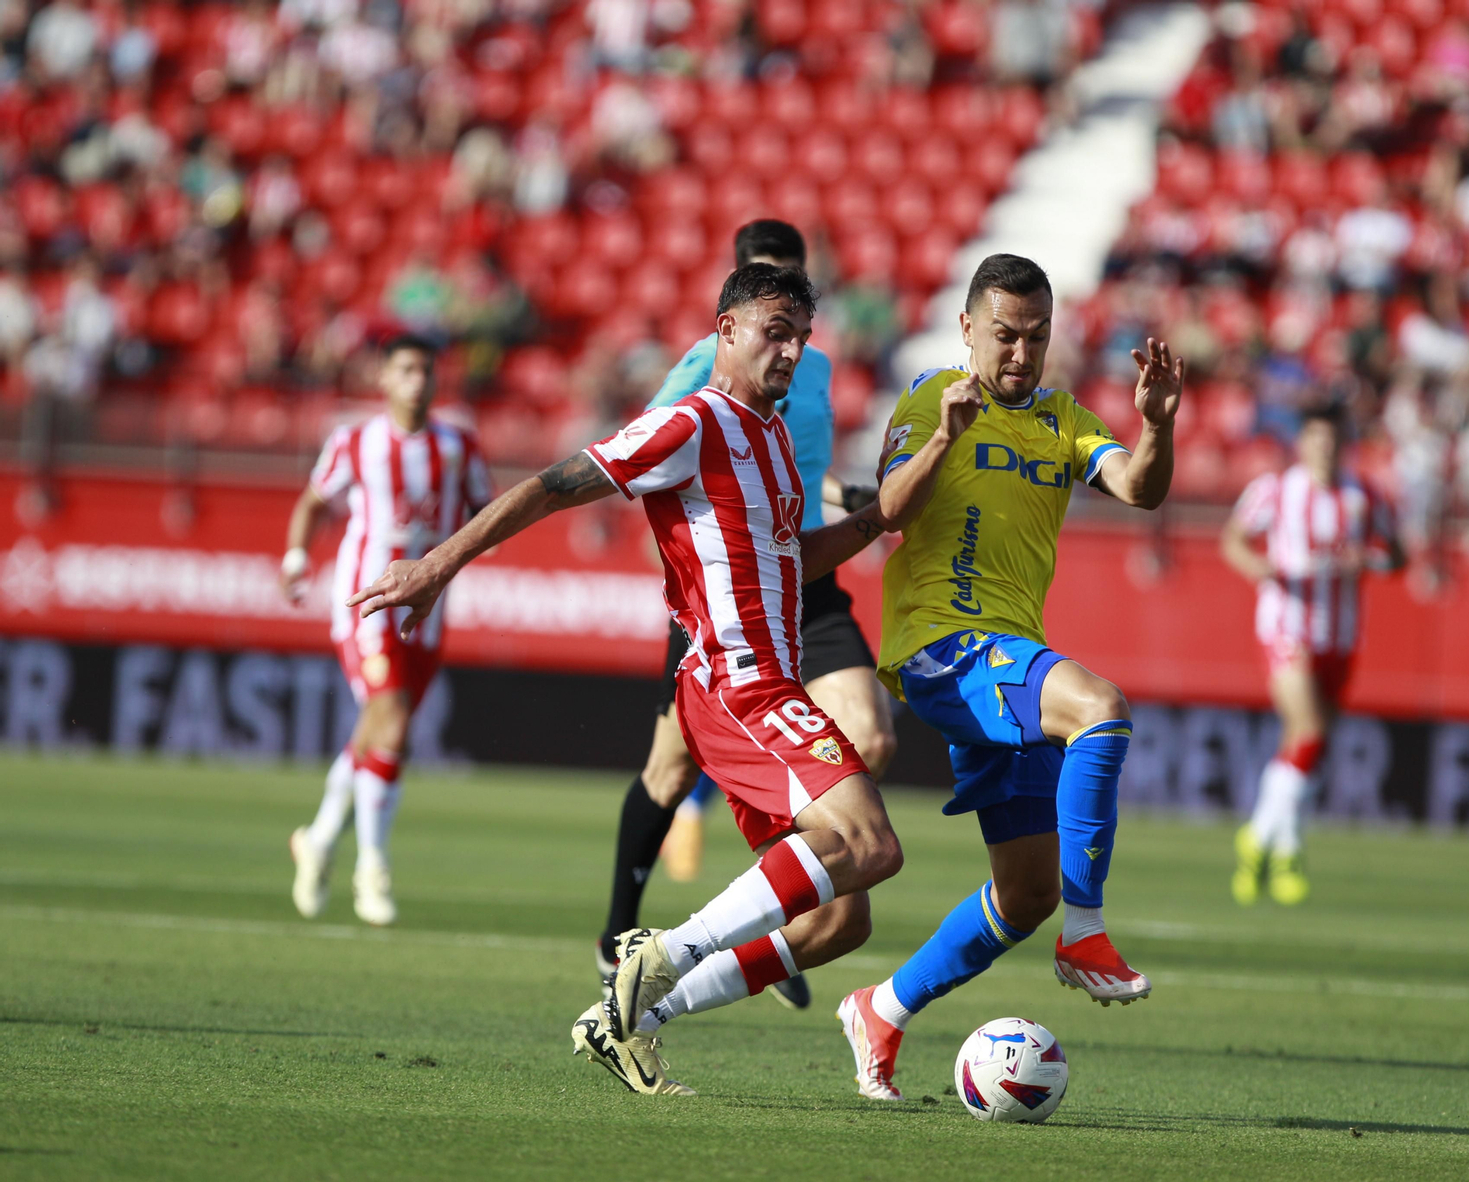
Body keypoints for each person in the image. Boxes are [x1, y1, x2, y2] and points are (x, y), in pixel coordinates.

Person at [346, 265, 981, 1095]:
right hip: (736, 686)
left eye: (801, 337)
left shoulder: (771, 439)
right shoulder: (691, 424)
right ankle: (664, 951)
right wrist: (437, 564)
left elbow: (790, 560)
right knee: (872, 844)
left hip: (767, 687)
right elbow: (550, 487)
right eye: (775, 331)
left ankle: (630, 1019)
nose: (791, 351)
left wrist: (885, 508)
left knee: (840, 920)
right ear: (726, 331)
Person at [837, 254, 1185, 1102]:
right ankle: (1087, 931)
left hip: (1007, 657)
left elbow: (1139, 489)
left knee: (1025, 892)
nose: (1021, 353)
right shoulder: (931, 399)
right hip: (942, 646)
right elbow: (888, 510)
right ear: (967, 330)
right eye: (1004, 335)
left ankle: (881, 1008)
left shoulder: (1064, 420)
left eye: (1036, 336)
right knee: (1100, 708)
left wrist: (1157, 426)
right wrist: (947, 436)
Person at [597, 220, 897, 1014]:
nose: (786, 335)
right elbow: (663, 457)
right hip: (725, 590)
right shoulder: (701, 369)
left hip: (803, 569)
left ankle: (784, 895)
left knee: (873, 737)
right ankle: (618, 937)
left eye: (795, 304)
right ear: (732, 310)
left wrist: (850, 500)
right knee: (670, 770)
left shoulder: (815, 367)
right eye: (768, 302)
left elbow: (796, 465)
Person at [281, 334, 492, 927]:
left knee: (379, 727)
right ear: (384, 378)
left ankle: (319, 838)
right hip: (365, 603)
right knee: (391, 719)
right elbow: (313, 502)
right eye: (405, 370)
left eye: (425, 370)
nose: (417, 380)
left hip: (426, 609)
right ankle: (371, 867)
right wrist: (296, 559)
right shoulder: (355, 441)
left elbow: (484, 513)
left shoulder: (458, 446)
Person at [1221, 404, 1403, 906]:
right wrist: (1257, 567)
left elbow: (1397, 555)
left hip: (1340, 635)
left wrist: (1369, 559)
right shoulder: (1275, 490)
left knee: (1305, 745)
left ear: (1344, 445)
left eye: (1333, 440)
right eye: (1317, 439)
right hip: (1286, 626)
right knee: (1310, 728)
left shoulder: (1365, 495)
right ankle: (1278, 844)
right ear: (1302, 443)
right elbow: (1233, 540)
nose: (1325, 448)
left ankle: (1269, 843)